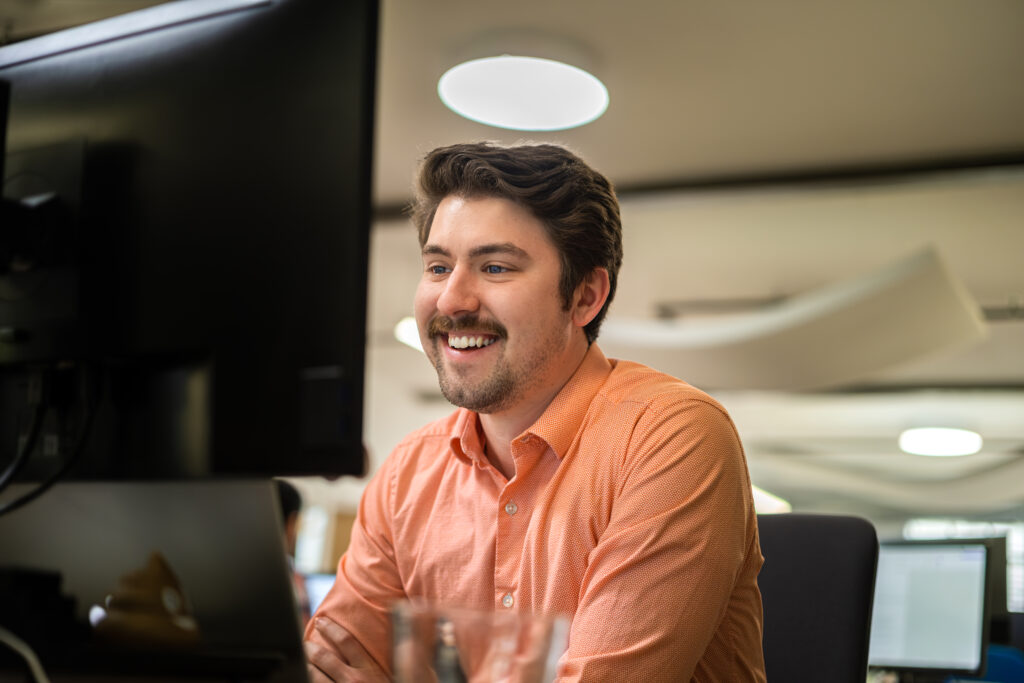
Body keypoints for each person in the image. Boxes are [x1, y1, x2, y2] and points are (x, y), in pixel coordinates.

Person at [304, 142, 766, 681]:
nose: (452, 300)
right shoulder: (408, 472)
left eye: (495, 267)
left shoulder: (670, 437)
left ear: (585, 297)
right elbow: (326, 665)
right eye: (437, 266)